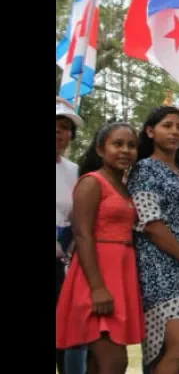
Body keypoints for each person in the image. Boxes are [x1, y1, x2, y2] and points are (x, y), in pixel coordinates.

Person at [128, 106, 179, 373]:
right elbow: (151, 225)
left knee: (164, 352)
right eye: (167, 126)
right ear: (151, 132)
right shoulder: (144, 169)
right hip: (158, 266)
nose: (175, 131)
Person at [56, 123, 145, 373]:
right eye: (117, 144)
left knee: (99, 364)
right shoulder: (92, 182)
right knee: (114, 362)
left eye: (131, 145)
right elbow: (82, 234)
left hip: (121, 273)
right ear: (100, 148)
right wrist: (96, 287)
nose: (125, 150)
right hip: (97, 276)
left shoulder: (124, 187)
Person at [55, 97, 88, 374]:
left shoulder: (75, 171)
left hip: (63, 265)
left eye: (64, 126)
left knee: (68, 339)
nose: (58, 131)